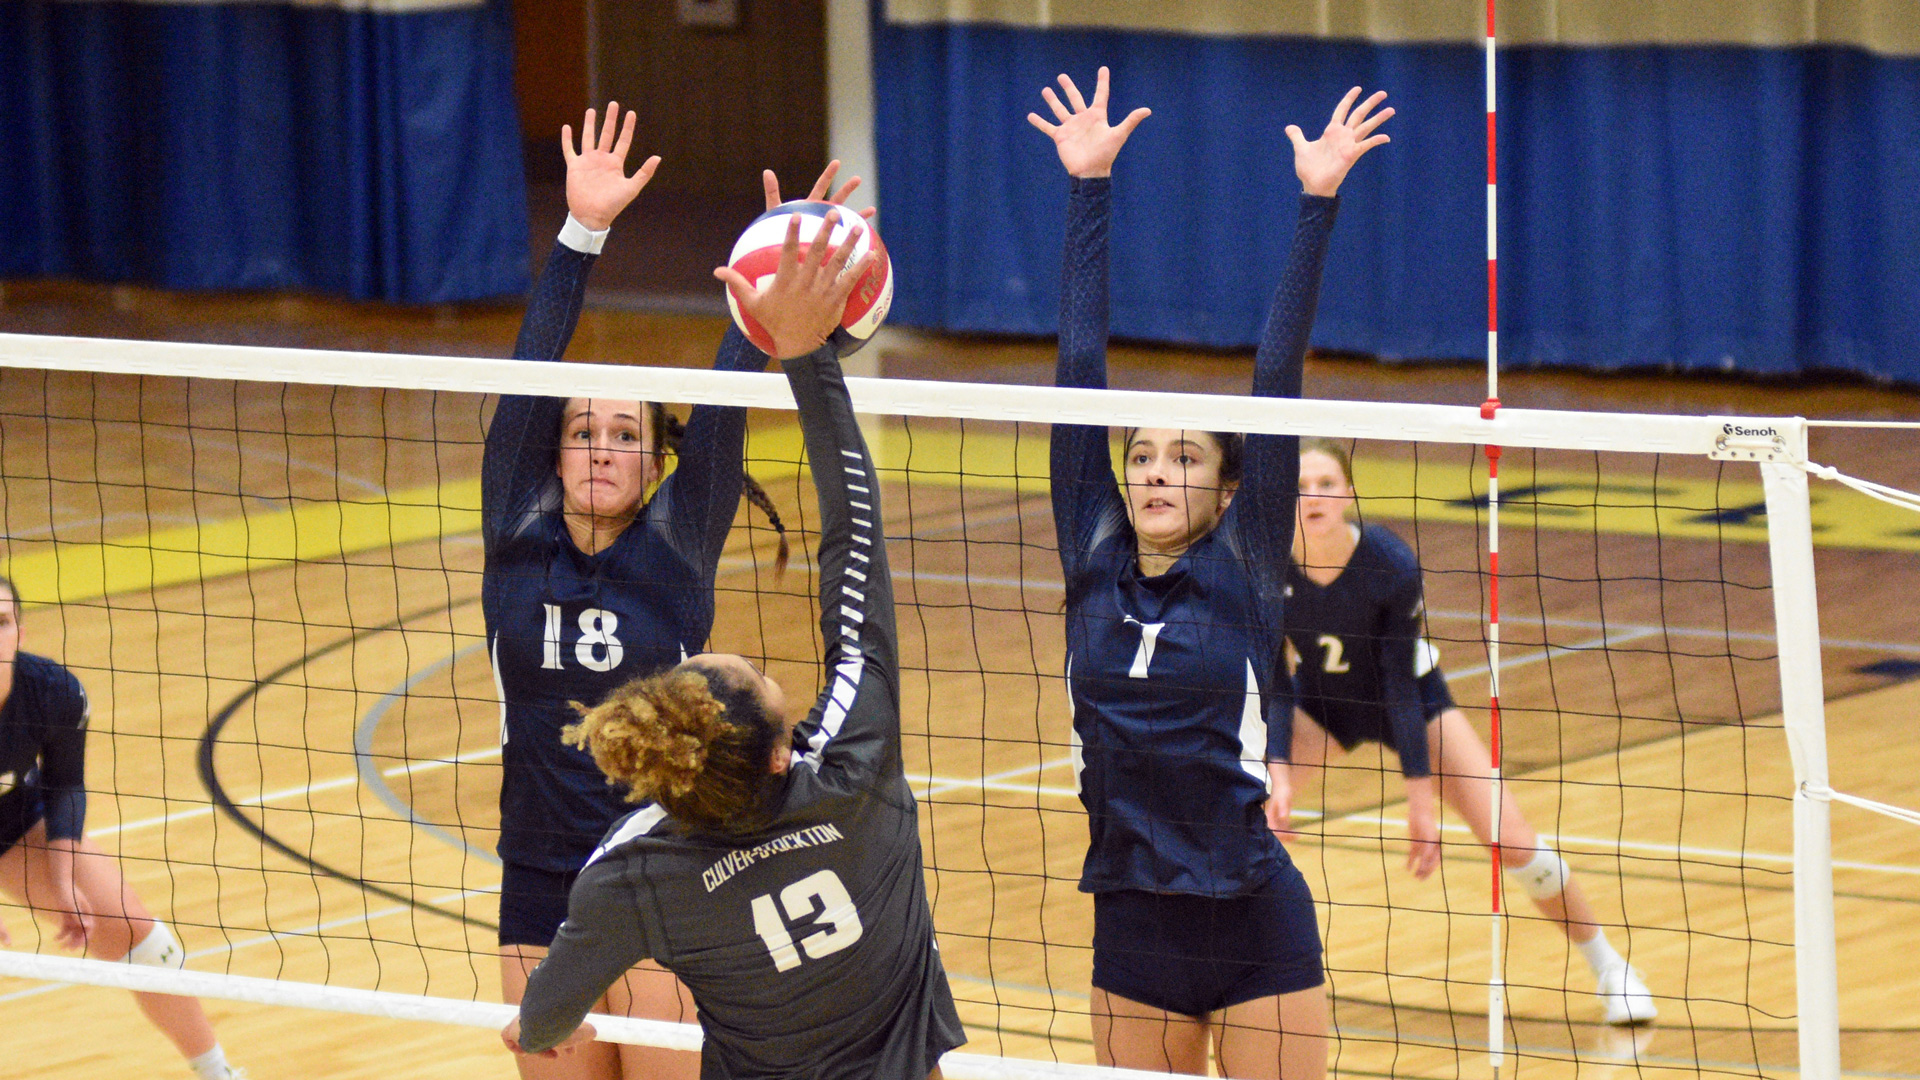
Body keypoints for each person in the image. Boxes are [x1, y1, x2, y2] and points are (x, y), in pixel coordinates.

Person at [502, 209, 966, 1080]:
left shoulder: (641, 872)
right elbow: (854, 538)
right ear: (785, 752)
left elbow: (541, 1017)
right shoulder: (856, 779)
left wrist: (529, 1027)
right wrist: (805, 351)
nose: (748, 657)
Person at [1031, 68, 1390, 1078]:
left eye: (1183, 457)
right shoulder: (1094, 551)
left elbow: (1274, 380)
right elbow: (1078, 368)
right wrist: (1088, 188)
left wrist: (1315, 206)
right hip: (1130, 919)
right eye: (1142, 454)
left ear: (1229, 489)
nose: (1153, 470)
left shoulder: (1245, 561)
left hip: (1252, 917)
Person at [487, 103, 857, 1080]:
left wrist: (766, 285)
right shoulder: (515, 536)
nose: (602, 448)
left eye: (624, 435)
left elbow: (730, 402)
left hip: (661, 869)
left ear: (656, 461)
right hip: (536, 883)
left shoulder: (677, 547)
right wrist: (581, 233)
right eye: (582, 432)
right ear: (553, 454)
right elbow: (530, 375)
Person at [1279, 438, 1658, 1025]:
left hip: (1409, 699)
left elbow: (1399, 685)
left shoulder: (1389, 563)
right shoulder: (1268, 560)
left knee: (1514, 843)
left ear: (1349, 493)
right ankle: (1233, 974)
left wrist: (1420, 801)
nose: (1314, 497)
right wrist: (1277, 768)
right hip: (1322, 703)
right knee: (1248, 818)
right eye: (1301, 486)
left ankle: (1611, 968)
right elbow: (1274, 673)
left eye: (1327, 484)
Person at [0, 577, 247, 1079]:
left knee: (142, 942)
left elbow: (65, 784)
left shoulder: (52, 691)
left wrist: (65, 879)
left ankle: (219, 1074)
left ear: (19, 633)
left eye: (0, 622)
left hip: (13, 813)